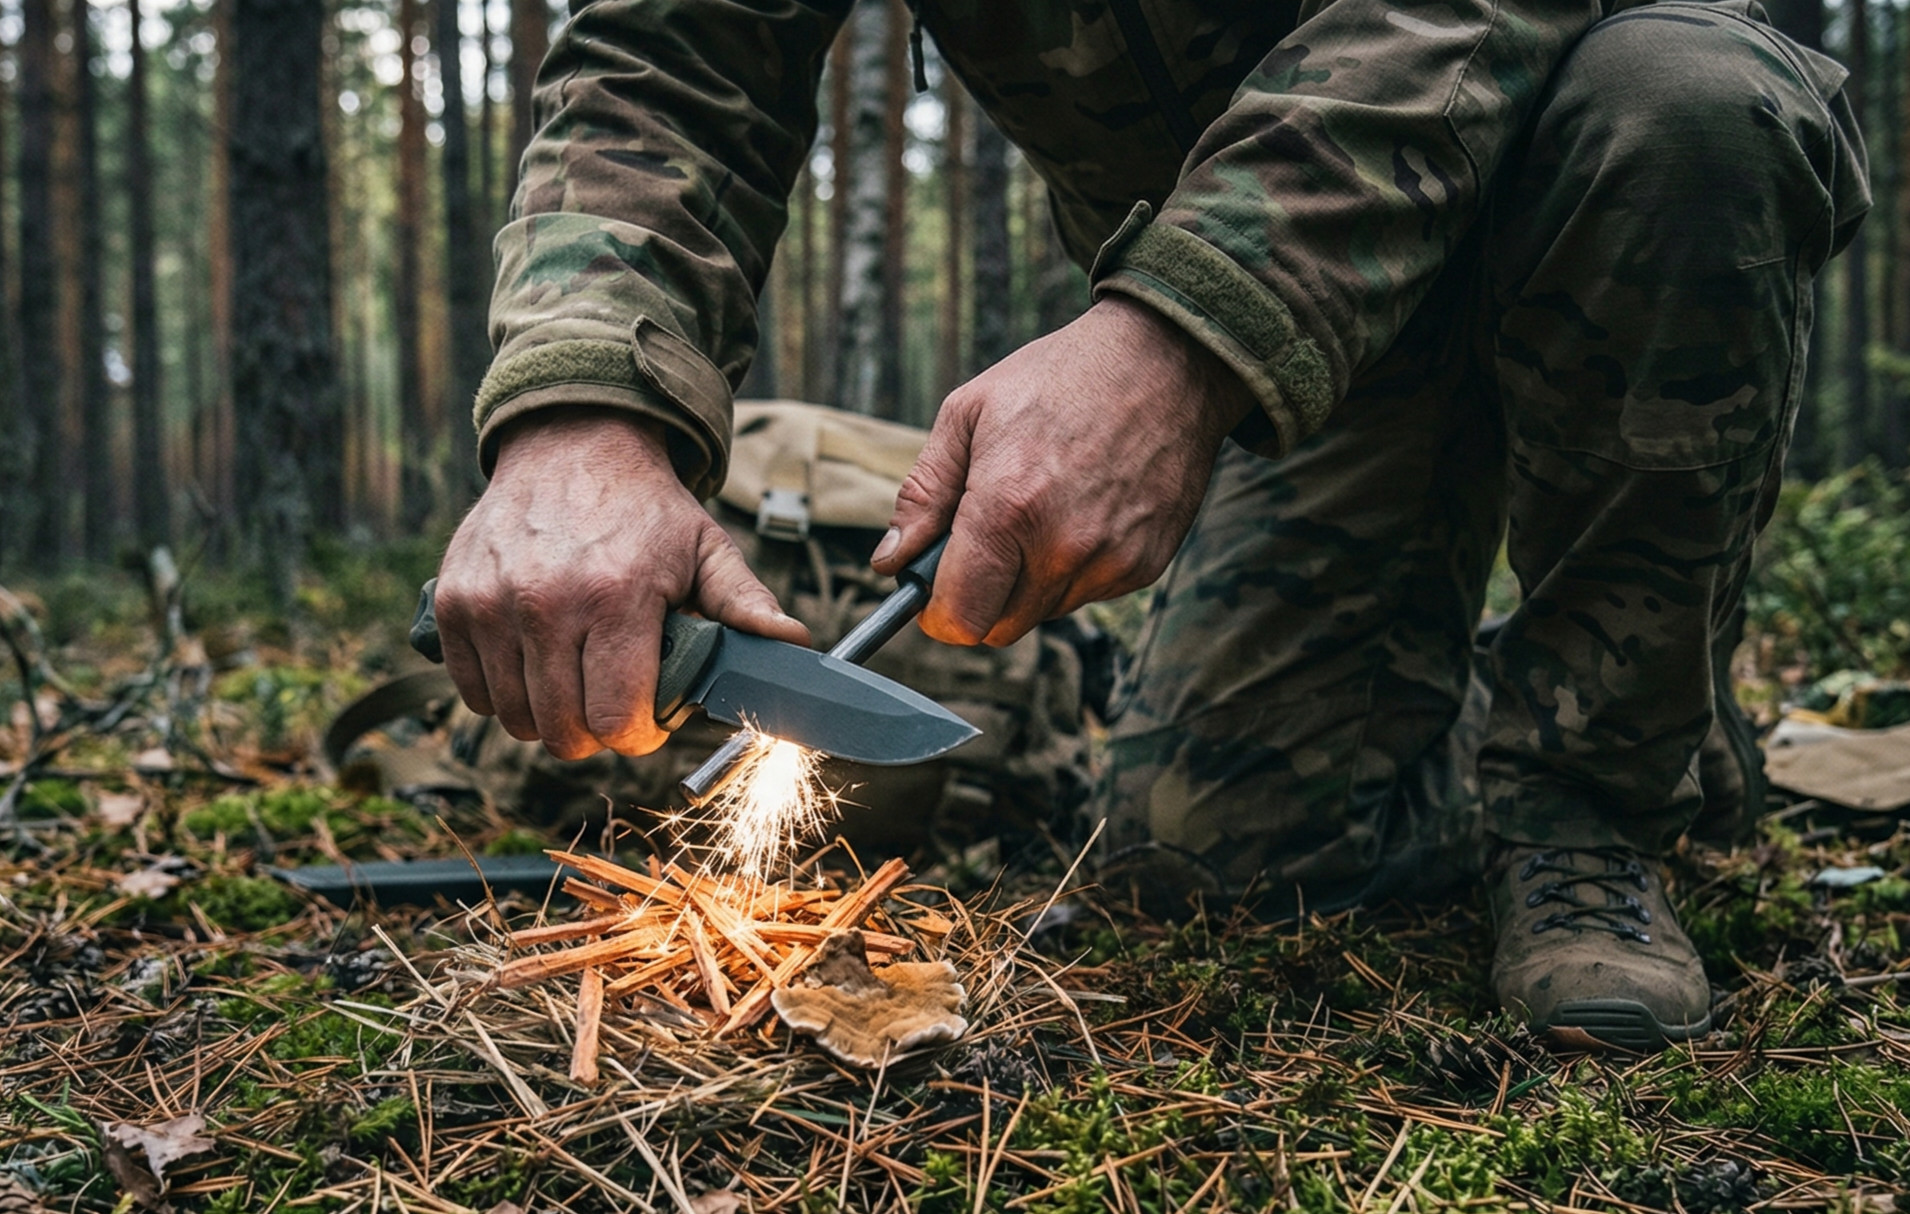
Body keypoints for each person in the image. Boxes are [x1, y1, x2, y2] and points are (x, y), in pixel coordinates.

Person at [431, 0, 1868, 1052]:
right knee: (1217, 862)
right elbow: (671, 57)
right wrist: (583, 408)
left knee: (1683, 101)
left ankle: (1593, 783)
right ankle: (1511, 703)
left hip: (1579, 178)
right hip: (1314, 342)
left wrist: (1180, 328)